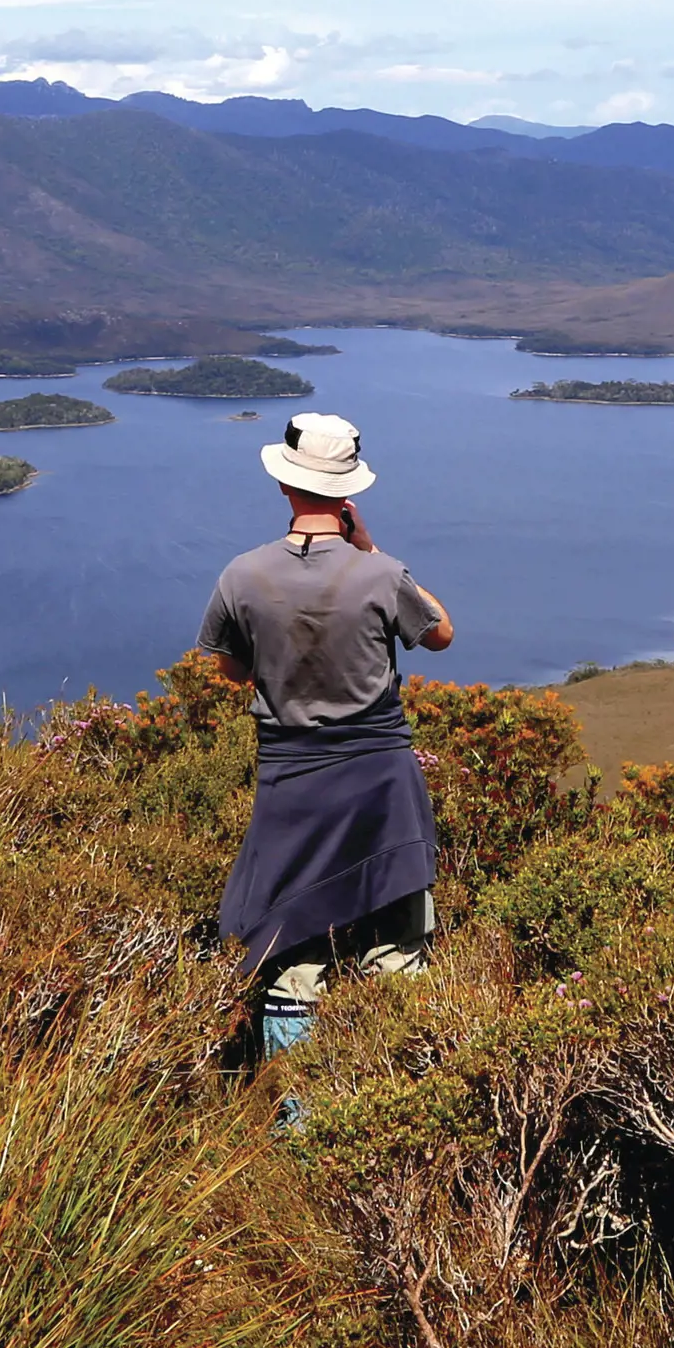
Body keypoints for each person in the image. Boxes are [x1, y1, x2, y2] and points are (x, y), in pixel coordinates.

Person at [199, 410, 456, 1061]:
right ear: (348, 495)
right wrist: (368, 550)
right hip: (380, 788)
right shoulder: (380, 573)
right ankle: (395, 1097)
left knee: (291, 946)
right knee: (395, 945)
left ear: (284, 486)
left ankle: (296, 1113)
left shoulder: (241, 576)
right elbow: (440, 634)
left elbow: (230, 670)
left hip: (293, 787)